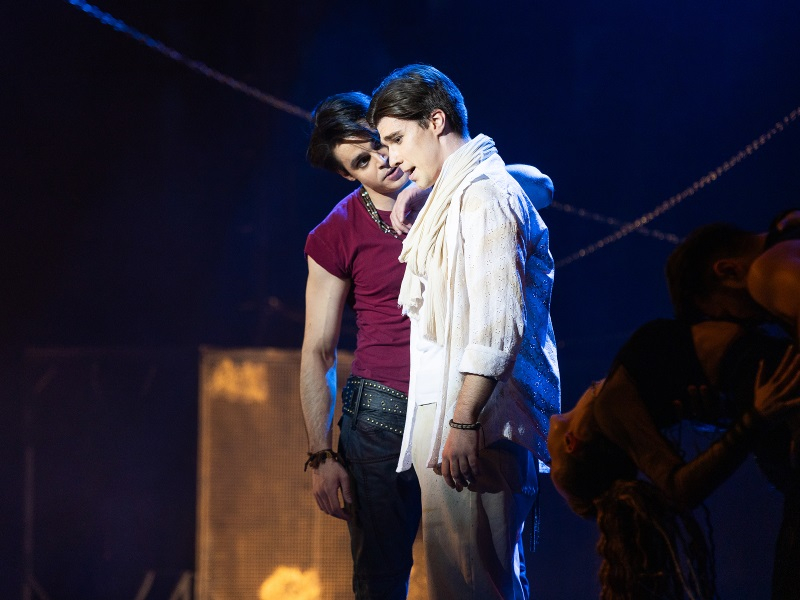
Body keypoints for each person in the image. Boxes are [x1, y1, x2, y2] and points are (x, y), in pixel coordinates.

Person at [299, 90, 555, 599]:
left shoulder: (456, 184)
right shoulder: (336, 231)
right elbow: (318, 350)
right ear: (348, 176)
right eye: (362, 162)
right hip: (382, 411)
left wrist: (432, 191)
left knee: (483, 569)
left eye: (382, 143)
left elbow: (541, 185)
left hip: (460, 399)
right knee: (382, 579)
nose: (382, 161)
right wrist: (319, 454)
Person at [366, 64, 560, 599]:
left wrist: (463, 419)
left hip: (476, 421)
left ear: (436, 120)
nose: (391, 158)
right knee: (462, 580)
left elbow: (499, 325)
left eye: (396, 139)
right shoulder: (458, 194)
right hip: (455, 418)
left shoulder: (485, 195)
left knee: (474, 585)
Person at [547, 316, 800, 599]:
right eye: (551, 461)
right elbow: (680, 489)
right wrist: (754, 420)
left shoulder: (629, 405)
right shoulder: (610, 408)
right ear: (571, 443)